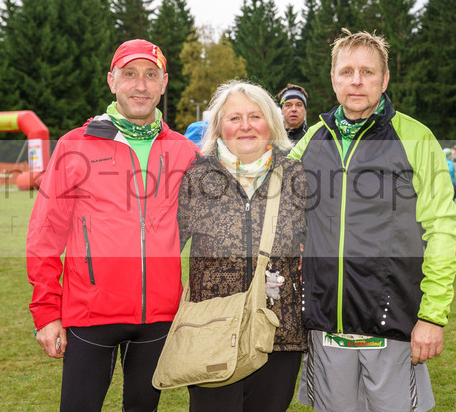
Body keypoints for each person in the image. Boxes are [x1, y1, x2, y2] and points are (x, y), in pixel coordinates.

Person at [289, 29, 456, 412]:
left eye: (367, 72)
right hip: (325, 323)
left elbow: (442, 232)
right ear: (333, 78)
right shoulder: (313, 139)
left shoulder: (416, 137)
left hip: (392, 321)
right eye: (346, 71)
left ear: (385, 80)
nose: (356, 81)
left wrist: (432, 316)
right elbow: (278, 205)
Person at [26, 39, 199, 411]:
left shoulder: (186, 152)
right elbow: (45, 235)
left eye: (151, 75)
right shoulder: (75, 145)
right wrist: (46, 313)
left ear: (164, 83)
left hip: (158, 317)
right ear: (111, 80)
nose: (141, 85)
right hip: (90, 315)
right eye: (130, 74)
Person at [177, 79, 308, 412]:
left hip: (278, 333)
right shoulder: (197, 177)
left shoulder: (296, 176)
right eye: (235, 118)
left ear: (272, 123)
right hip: (212, 330)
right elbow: (165, 245)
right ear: (219, 127)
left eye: (255, 116)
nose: (245, 126)